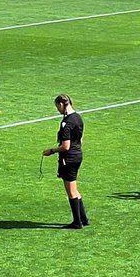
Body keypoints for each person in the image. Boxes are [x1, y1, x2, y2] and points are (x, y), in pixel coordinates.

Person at [42, 94, 88, 229]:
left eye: (58, 107)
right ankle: (84, 219)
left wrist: (51, 151)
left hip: (68, 159)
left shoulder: (66, 123)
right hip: (78, 155)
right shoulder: (78, 118)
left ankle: (77, 222)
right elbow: (80, 139)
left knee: (71, 192)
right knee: (75, 189)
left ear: (62, 104)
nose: (58, 110)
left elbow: (65, 146)